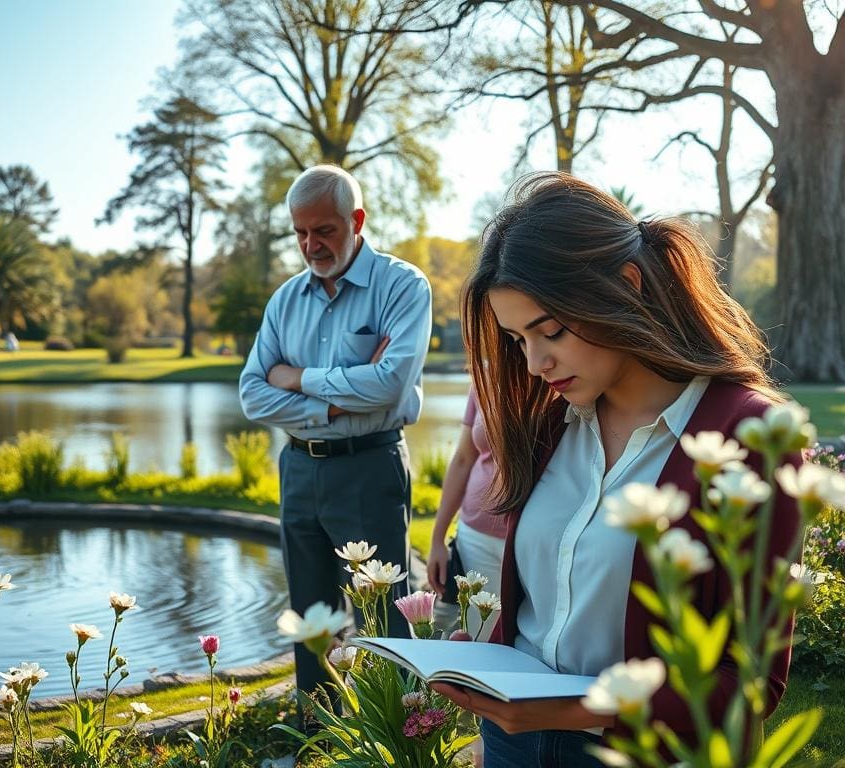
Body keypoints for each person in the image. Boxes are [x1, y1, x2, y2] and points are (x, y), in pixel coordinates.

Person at [431, 172, 801, 767]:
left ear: (626, 285)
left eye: (550, 331)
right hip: (511, 741)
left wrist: (573, 711)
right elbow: (541, 607)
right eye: (517, 339)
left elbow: (750, 681)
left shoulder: (748, 435)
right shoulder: (549, 421)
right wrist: (488, 660)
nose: (535, 362)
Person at [239, 165, 432, 702]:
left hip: (370, 467)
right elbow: (253, 393)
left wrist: (297, 378)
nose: (310, 245)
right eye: (300, 232)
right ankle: (319, 732)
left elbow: (390, 385)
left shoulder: (402, 286)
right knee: (310, 618)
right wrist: (337, 402)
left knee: (384, 614)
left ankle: (397, 733)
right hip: (299, 469)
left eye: (323, 230)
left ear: (357, 220)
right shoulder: (285, 300)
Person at [426, 384, 505, 639]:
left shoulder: (557, 379)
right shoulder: (484, 378)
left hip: (532, 540)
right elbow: (463, 458)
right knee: (474, 638)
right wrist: (437, 540)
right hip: (475, 537)